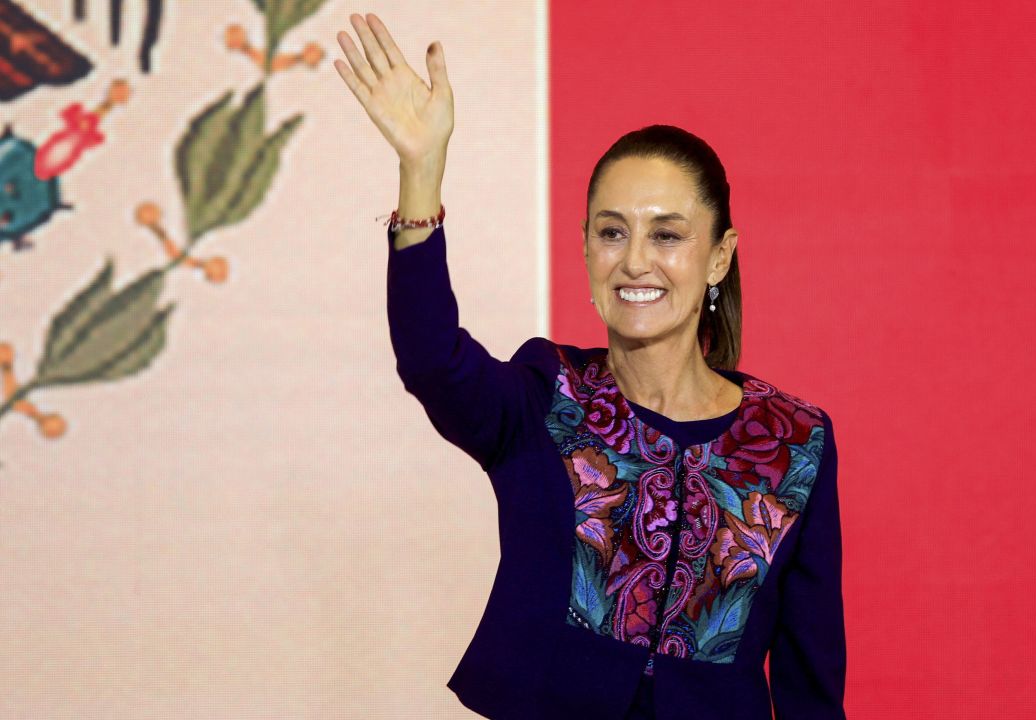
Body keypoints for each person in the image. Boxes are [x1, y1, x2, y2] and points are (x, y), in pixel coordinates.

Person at [335, 12, 846, 720]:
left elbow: (810, 685)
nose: (635, 260)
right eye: (612, 232)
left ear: (719, 258)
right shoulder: (548, 397)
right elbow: (431, 360)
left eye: (667, 235)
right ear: (585, 248)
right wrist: (421, 173)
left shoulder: (794, 441)